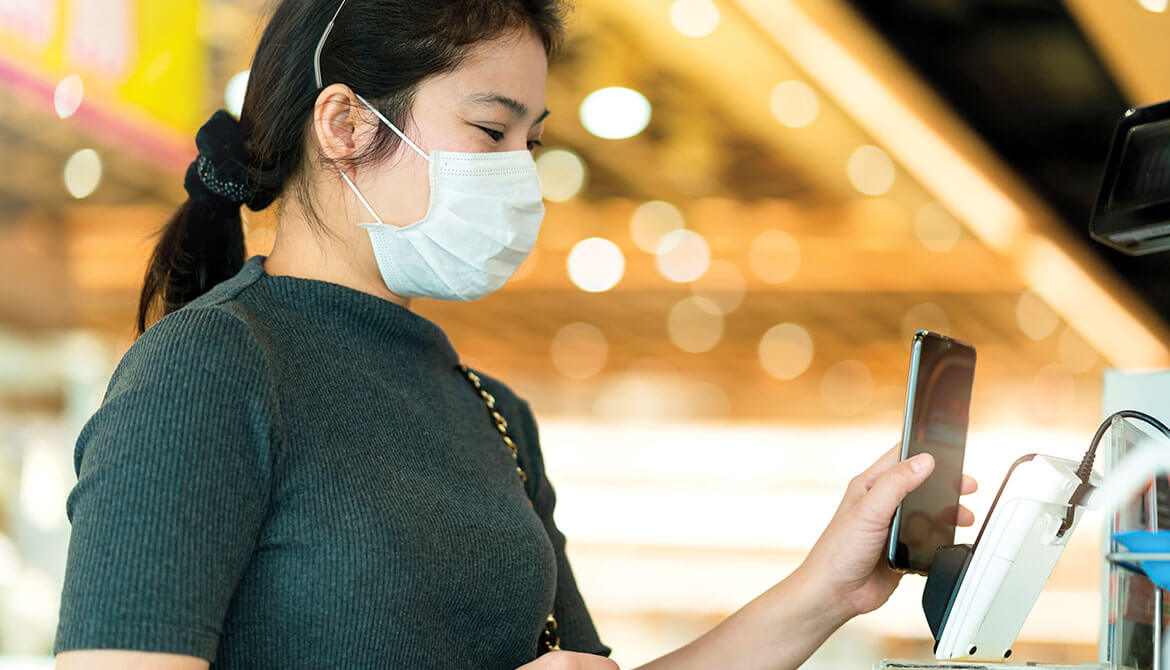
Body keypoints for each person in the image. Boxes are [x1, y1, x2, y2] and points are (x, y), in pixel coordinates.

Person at [52, 1, 977, 668]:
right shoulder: (212, 370)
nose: (518, 177)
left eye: (529, 143)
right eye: (490, 130)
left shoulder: (490, 412)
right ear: (342, 125)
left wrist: (825, 591)